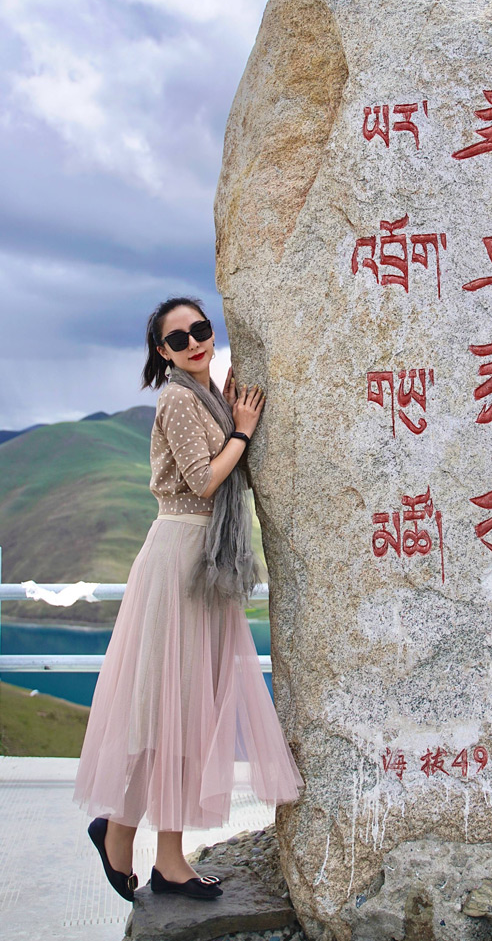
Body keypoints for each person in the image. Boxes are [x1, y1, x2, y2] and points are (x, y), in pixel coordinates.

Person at [72, 296, 304, 902]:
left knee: (185, 709)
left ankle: (142, 844)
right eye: (179, 338)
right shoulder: (176, 398)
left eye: (201, 329)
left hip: (206, 562)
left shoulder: (204, 397)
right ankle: (139, 844)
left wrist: (230, 415)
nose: (195, 342)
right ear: (163, 351)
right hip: (181, 559)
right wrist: (242, 429)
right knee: (169, 708)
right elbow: (203, 479)